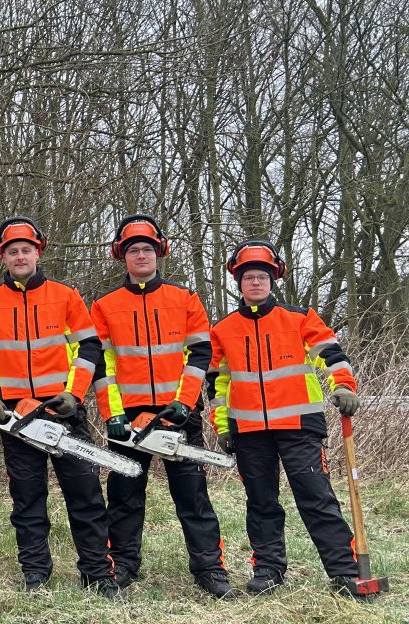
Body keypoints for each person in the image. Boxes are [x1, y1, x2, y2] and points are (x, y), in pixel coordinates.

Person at [0, 216, 120, 598]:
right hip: (15, 416)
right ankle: (36, 571)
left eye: (25, 250)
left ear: (38, 252)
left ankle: (97, 571)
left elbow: (89, 348)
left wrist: (74, 393)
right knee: (27, 499)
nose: (20, 256)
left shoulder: (65, 296)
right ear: (4, 256)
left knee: (84, 493)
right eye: (13, 251)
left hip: (63, 410)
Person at [90, 215, 237, 598]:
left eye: (147, 249)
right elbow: (101, 366)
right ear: (122, 256)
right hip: (128, 416)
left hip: (177, 413)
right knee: (124, 494)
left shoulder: (184, 298)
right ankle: (122, 562)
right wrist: (112, 414)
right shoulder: (105, 306)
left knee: (192, 494)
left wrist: (184, 403)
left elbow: (200, 353)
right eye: (134, 250)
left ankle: (209, 566)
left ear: (159, 253)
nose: (141, 255)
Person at [208, 239, 364, 598]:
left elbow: (331, 353)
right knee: (261, 502)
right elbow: (218, 383)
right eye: (249, 277)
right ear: (239, 282)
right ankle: (268, 568)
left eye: (262, 276)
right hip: (248, 430)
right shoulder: (224, 329)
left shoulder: (299, 317)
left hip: (299, 426)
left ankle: (345, 571)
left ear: (272, 279)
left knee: (315, 497)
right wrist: (221, 424)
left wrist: (343, 385)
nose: (256, 283)